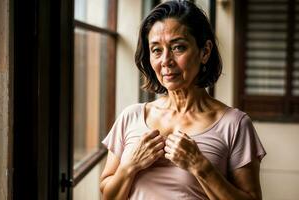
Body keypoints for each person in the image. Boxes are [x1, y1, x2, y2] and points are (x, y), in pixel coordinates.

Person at [99, 1, 266, 199]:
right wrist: (130, 166)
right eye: (156, 50)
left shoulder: (234, 124)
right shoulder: (131, 116)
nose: (165, 61)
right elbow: (108, 195)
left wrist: (201, 167)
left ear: (204, 51)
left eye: (178, 47)